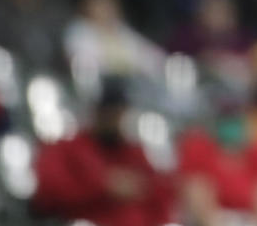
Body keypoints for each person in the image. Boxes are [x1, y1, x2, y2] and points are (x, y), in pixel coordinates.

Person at [33, 79, 175, 226]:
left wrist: (140, 187)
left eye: (118, 113)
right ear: (96, 112)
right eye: (108, 112)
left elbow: (161, 196)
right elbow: (47, 195)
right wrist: (104, 185)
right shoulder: (67, 149)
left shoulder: (135, 154)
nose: (114, 119)